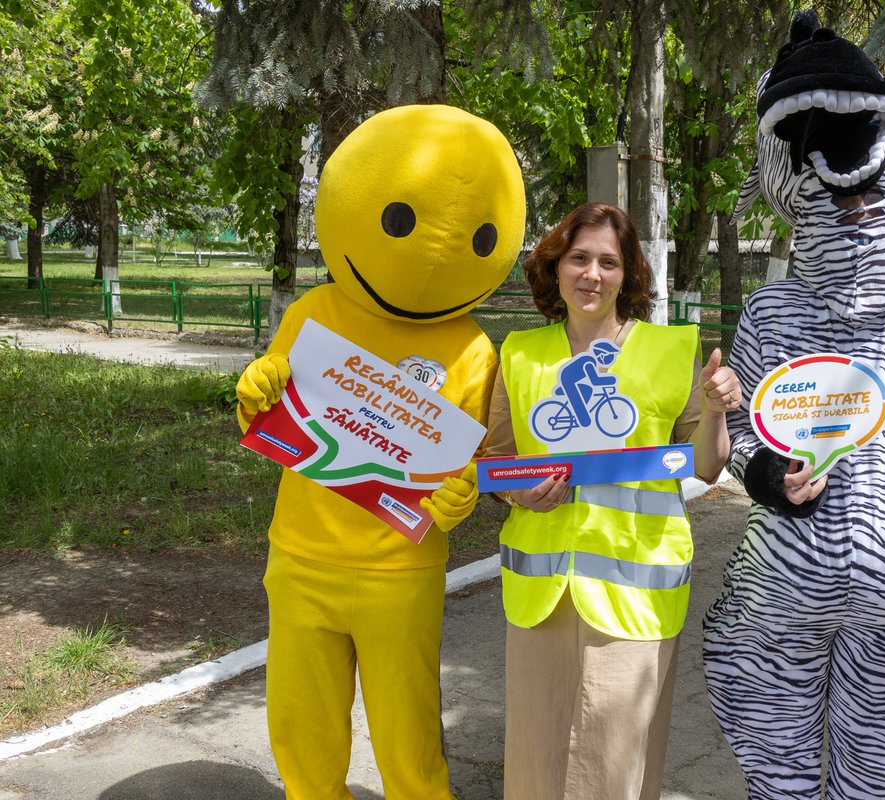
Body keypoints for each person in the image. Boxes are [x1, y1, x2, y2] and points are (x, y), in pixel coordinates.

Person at [702, 12, 885, 800]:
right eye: (830, 199)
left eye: (871, 195)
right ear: (793, 195)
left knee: (878, 779)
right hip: (781, 595)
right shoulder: (772, 315)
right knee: (778, 771)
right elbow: (739, 430)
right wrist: (765, 474)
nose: (853, 208)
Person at [234, 105, 526, 799]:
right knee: (304, 727)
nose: (431, 255)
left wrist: (463, 494)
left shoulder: (475, 349)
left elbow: (468, 459)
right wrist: (255, 390)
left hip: (403, 569)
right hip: (302, 558)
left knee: (408, 731)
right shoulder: (314, 313)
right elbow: (279, 416)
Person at [482, 201, 742, 800]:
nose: (591, 274)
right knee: (536, 754)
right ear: (556, 267)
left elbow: (706, 463)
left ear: (628, 276)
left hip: (635, 591)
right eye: (579, 258)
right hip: (541, 591)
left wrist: (716, 407)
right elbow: (494, 461)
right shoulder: (520, 353)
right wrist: (516, 489)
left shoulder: (670, 351)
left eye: (608, 261)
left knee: (615, 760)